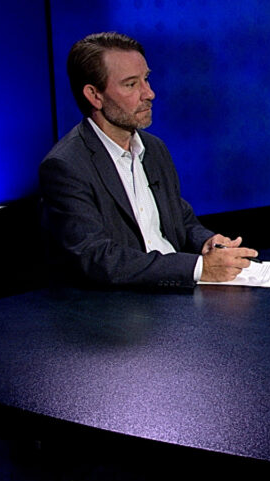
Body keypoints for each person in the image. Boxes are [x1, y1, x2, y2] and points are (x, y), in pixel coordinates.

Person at [39, 31, 257, 288]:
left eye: (146, 79)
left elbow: (181, 219)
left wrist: (207, 243)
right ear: (94, 95)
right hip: (126, 309)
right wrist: (199, 268)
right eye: (131, 84)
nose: (149, 93)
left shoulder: (154, 149)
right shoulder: (66, 166)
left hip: (177, 294)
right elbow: (97, 258)